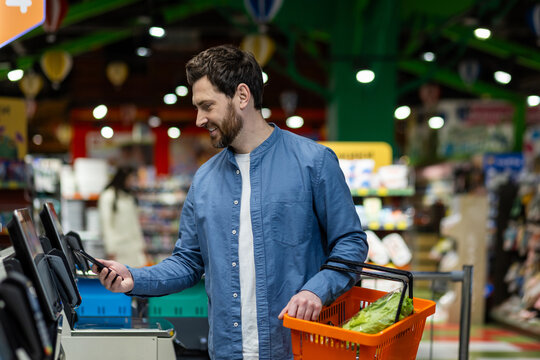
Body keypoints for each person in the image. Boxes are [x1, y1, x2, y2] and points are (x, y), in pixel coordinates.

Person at [94, 45, 368, 359]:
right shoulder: (205, 179)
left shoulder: (314, 162)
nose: (199, 119)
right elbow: (188, 262)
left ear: (241, 95)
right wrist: (133, 277)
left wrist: (315, 289)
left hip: (296, 347)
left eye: (206, 106)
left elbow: (350, 242)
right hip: (227, 350)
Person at [97, 165, 147, 267]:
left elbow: (135, 223)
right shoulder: (108, 196)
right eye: (130, 178)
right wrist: (111, 249)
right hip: (119, 249)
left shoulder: (129, 197)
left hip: (133, 248)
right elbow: (106, 225)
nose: (132, 182)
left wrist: (141, 245)